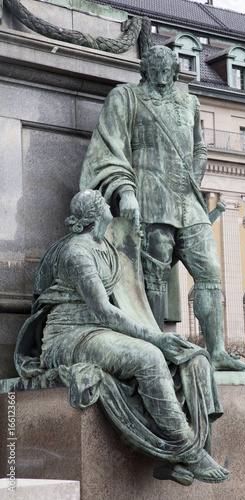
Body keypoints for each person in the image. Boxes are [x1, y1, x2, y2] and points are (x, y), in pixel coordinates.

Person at [14, 189, 229, 486]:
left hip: (101, 333)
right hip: (69, 337)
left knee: (192, 357)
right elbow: (104, 310)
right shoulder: (77, 253)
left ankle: (170, 457)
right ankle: (188, 452)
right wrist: (157, 338)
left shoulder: (108, 247)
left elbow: (148, 273)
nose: (108, 205)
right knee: (149, 356)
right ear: (95, 214)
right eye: (103, 202)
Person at [80, 45, 245, 371]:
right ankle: (156, 347)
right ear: (145, 71)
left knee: (210, 272)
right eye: (156, 75)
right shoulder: (126, 97)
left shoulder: (190, 102)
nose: (162, 82)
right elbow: (110, 148)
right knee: (154, 277)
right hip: (149, 198)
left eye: (168, 75)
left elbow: (200, 148)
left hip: (187, 202)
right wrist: (126, 192)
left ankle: (216, 352)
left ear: (175, 72)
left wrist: (194, 179)